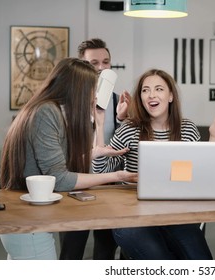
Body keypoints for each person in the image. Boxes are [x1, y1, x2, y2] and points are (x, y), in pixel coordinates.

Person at [0, 58, 137, 260]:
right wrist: (115, 175)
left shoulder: (47, 109)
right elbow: (60, 179)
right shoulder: (46, 113)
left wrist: (94, 153)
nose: (94, 96)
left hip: (27, 220)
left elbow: (53, 163)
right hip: (27, 225)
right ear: (77, 88)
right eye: (91, 89)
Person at [92, 69, 215, 259]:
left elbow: (202, 177)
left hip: (176, 213)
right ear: (140, 97)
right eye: (145, 90)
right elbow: (99, 171)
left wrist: (213, 136)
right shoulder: (129, 129)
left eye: (159, 89)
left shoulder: (187, 129)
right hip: (133, 215)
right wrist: (100, 126)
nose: (151, 95)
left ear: (170, 96)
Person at [59, 38, 131, 260]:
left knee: (106, 250)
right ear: (82, 66)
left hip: (108, 185)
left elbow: (125, 145)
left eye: (106, 62)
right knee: (71, 250)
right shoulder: (64, 104)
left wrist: (122, 120)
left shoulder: (120, 102)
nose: (101, 68)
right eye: (93, 63)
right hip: (73, 185)